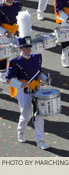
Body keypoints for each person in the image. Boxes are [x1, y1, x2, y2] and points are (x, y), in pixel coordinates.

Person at [6, 11, 51, 150]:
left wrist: (45, 78)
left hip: (37, 90)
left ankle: (40, 141)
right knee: (26, 114)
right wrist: (21, 84)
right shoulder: (15, 62)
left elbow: (38, 72)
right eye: (26, 47)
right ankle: (20, 131)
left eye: (29, 47)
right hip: (24, 91)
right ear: (20, 48)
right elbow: (9, 79)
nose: (28, 49)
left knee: (40, 115)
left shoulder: (36, 58)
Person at [0, 0, 22, 83]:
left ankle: (13, 72)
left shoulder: (18, 5)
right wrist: (4, 32)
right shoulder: (0, 8)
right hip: (4, 35)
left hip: (15, 32)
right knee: (4, 54)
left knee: (15, 53)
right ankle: (2, 74)